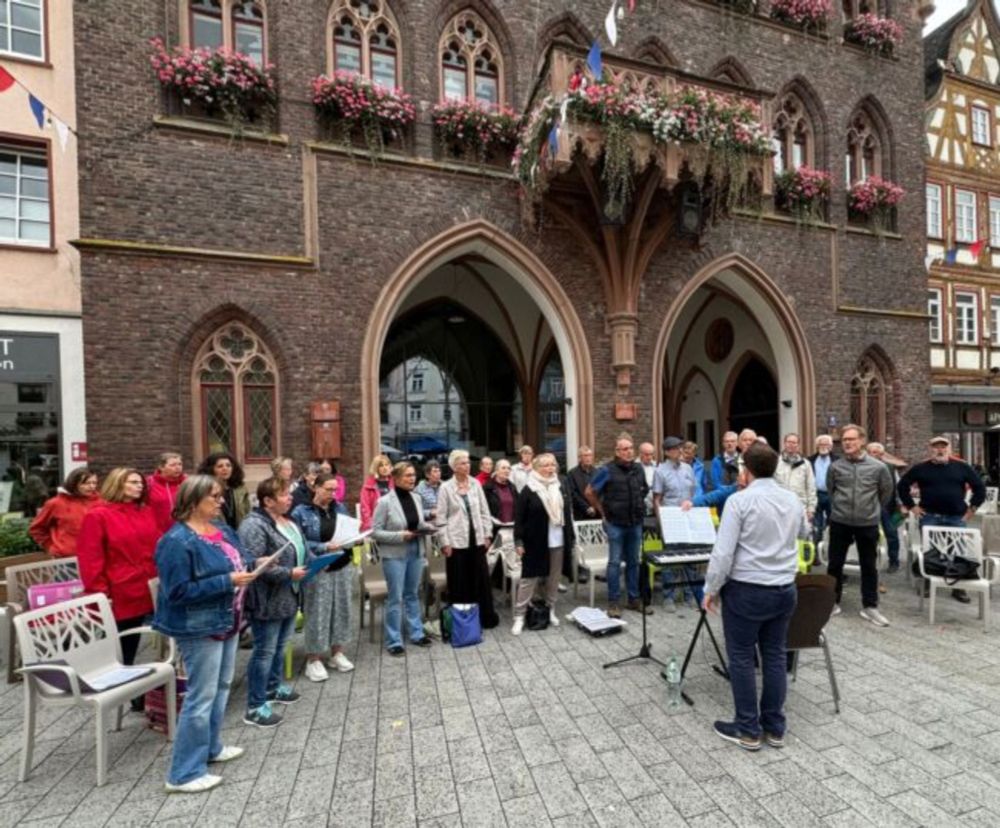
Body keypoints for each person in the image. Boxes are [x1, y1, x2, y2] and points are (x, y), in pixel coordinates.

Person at [154, 475, 255, 794]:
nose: (221, 501)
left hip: (229, 619)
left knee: (221, 688)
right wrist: (227, 582)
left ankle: (211, 748)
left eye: (221, 496)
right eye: (214, 496)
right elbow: (177, 591)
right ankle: (183, 772)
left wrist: (258, 565)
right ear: (193, 500)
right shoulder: (176, 541)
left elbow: (240, 561)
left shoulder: (222, 530)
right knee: (201, 696)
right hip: (199, 627)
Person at [702, 443, 804, 751]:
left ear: (746, 469)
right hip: (784, 587)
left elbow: (723, 552)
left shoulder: (739, 501)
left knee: (742, 657)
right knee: (774, 656)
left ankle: (747, 727)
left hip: (748, 588)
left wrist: (711, 588)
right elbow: (803, 533)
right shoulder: (792, 499)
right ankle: (774, 727)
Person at [239, 477, 307, 727]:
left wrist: (320, 555)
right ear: (267, 500)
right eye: (284, 495)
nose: (290, 497)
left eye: (289, 493)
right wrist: (288, 573)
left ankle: (273, 687)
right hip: (267, 599)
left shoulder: (288, 520)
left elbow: (301, 549)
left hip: (290, 594)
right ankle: (255, 705)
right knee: (264, 651)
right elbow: (253, 564)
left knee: (280, 646)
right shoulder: (254, 525)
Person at [77, 468, 160, 670]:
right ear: (117, 484)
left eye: (140, 482)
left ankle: (137, 690)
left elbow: (156, 545)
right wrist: (100, 594)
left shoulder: (145, 511)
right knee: (122, 645)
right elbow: (90, 559)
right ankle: (121, 690)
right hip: (121, 590)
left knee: (141, 640)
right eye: (132, 482)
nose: (139, 485)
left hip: (148, 585)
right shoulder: (98, 516)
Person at [897, 435, 986, 604]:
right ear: (930, 450)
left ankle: (958, 586)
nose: (940, 450)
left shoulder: (962, 467)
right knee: (931, 552)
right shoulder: (920, 468)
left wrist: (972, 509)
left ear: (949, 449)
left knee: (958, 552)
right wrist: (912, 507)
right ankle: (929, 582)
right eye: (936, 447)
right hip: (930, 517)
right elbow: (902, 486)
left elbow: (979, 488)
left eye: (943, 447)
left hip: (956, 517)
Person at [826, 424, 894, 626]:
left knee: (868, 566)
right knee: (834, 564)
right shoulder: (835, 466)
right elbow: (832, 492)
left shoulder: (878, 467)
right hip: (840, 521)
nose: (847, 443)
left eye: (851, 439)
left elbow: (885, 493)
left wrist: (870, 511)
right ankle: (832, 602)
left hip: (867, 524)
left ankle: (870, 606)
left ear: (862, 441)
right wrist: (841, 509)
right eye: (844, 439)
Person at [291, 473, 355, 681]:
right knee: (318, 611)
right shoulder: (301, 512)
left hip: (342, 564)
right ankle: (314, 658)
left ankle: (336, 652)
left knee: (342, 608)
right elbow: (298, 542)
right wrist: (323, 546)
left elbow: (348, 532)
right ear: (315, 488)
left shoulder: (340, 507)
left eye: (335, 489)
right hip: (320, 568)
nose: (332, 493)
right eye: (328, 489)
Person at [372, 462, 434, 655]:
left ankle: (416, 633)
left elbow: (418, 522)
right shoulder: (385, 501)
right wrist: (399, 536)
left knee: (413, 594)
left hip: (416, 550)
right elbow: (375, 532)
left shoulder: (416, 497)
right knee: (395, 597)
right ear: (396, 479)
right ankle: (394, 641)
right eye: (407, 475)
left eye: (413, 475)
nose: (412, 478)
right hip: (395, 555)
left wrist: (428, 527)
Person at [584, 434, 649, 619]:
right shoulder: (606, 470)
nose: (629, 451)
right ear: (617, 452)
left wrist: (636, 504)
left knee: (634, 562)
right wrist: (602, 511)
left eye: (631, 448)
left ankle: (633, 599)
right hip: (615, 524)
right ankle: (613, 602)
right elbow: (589, 492)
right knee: (614, 563)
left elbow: (643, 489)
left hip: (635, 522)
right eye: (625, 449)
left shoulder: (638, 469)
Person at [511, 453, 575, 635]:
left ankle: (550, 609)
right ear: (536, 468)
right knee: (529, 578)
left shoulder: (560, 485)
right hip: (534, 541)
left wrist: (571, 538)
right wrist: (519, 540)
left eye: (552, 465)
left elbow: (567, 514)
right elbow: (519, 518)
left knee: (554, 578)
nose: (550, 469)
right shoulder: (528, 489)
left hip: (558, 540)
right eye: (545, 466)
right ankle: (520, 615)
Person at [436, 449, 499, 629]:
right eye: (463, 463)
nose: (467, 465)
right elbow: (441, 519)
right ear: (454, 467)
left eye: (468, 462)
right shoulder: (446, 488)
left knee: (480, 580)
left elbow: (484, 512)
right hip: (456, 543)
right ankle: (463, 622)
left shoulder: (475, 484)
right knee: (460, 581)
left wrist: (487, 534)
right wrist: (445, 542)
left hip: (477, 539)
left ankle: (484, 618)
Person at [653, 436, 698, 610]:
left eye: (680, 447)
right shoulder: (660, 471)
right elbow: (657, 499)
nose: (680, 451)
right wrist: (661, 521)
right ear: (666, 452)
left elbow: (693, 492)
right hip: (670, 519)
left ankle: (689, 595)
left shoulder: (688, 468)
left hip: (687, 518)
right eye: (675, 448)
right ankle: (668, 597)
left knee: (690, 558)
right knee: (670, 560)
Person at [28, 467, 102, 557]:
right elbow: (37, 528)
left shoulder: (101, 503)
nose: (91, 486)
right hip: (67, 558)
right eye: (86, 483)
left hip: (96, 556)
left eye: (94, 483)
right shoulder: (56, 504)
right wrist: (50, 546)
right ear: (74, 483)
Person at [867, 442, 902, 575]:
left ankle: (894, 561)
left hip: (886, 506)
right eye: (870, 452)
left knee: (891, 534)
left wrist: (901, 504)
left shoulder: (890, 468)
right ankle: (871, 561)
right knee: (869, 535)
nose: (872, 455)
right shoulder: (861, 466)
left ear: (882, 455)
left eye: (876, 452)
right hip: (868, 507)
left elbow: (897, 487)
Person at [197, 452, 251, 530]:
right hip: (216, 533)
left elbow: (247, 512)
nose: (225, 469)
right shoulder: (205, 490)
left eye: (228, 465)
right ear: (211, 469)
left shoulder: (240, 489)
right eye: (220, 466)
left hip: (239, 533)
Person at [774, 434, 817, 531]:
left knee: (800, 537)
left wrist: (811, 509)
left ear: (798, 445)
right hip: (780, 507)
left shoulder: (806, 464)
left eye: (794, 442)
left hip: (800, 507)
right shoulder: (775, 462)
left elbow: (811, 487)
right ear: (784, 444)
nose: (791, 445)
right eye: (789, 442)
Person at [146, 452, 187, 533]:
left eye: (180, 464)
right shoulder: (149, 483)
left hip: (185, 530)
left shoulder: (188, 481)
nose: (178, 467)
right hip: (158, 531)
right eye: (173, 465)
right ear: (161, 467)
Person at [809, 435, 837, 543]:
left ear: (831, 446)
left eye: (826, 444)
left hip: (831, 495)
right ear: (816, 446)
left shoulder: (837, 461)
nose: (823, 446)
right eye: (821, 444)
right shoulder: (810, 460)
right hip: (816, 495)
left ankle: (832, 550)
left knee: (834, 524)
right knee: (817, 525)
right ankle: (817, 553)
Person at [359, 454, 394, 531]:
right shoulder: (368, 486)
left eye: (386, 465)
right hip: (376, 524)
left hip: (394, 522)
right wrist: (370, 525)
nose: (385, 468)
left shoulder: (396, 483)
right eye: (381, 465)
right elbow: (365, 508)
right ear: (376, 468)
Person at [566, 446, 598, 521]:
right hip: (580, 513)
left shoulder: (597, 472)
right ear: (579, 458)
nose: (588, 458)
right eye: (585, 455)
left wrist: (595, 507)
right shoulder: (572, 473)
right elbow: (573, 493)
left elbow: (601, 492)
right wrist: (586, 507)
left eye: (590, 455)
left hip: (597, 513)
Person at [638, 442, 658, 516]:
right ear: (640, 454)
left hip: (655, 507)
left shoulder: (657, 467)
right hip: (640, 508)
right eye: (646, 454)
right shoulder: (634, 467)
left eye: (651, 454)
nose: (649, 457)